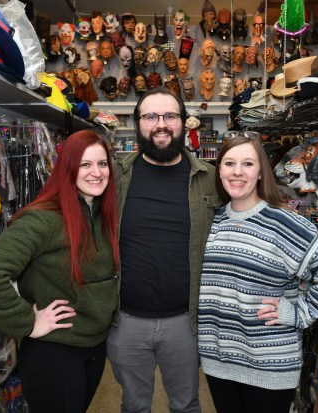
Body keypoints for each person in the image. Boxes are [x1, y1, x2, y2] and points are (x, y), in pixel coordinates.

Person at [198, 132, 318, 413]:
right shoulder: (214, 219)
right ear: (218, 170)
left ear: (260, 172)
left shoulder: (283, 223)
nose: (237, 172)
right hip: (218, 363)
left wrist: (296, 312)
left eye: (248, 164)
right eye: (229, 163)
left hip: (268, 365)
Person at [0, 131, 120, 413]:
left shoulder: (100, 212)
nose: (96, 172)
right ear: (67, 168)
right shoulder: (45, 218)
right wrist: (27, 322)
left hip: (94, 347)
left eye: (102, 163)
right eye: (85, 165)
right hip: (55, 352)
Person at [108, 87, 221, 413]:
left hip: (185, 324)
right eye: (151, 116)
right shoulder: (115, 176)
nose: (161, 124)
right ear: (137, 123)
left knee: (186, 404)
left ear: (185, 123)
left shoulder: (209, 178)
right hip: (125, 322)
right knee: (133, 405)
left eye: (170, 116)